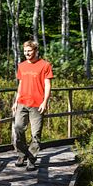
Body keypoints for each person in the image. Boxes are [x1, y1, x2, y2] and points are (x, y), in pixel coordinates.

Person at [12, 40, 54, 171]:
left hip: (37, 104)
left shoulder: (45, 65)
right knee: (18, 128)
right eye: (25, 51)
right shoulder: (22, 66)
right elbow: (20, 85)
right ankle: (22, 154)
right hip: (22, 102)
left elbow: (47, 85)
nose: (27, 53)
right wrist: (16, 101)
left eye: (29, 51)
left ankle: (31, 159)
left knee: (36, 134)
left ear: (36, 51)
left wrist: (45, 101)